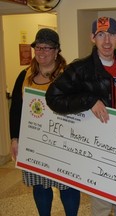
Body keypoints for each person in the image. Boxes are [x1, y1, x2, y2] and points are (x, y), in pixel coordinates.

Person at [45, 17, 116, 216]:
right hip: (99, 151)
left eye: (111, 34)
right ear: (92, 38)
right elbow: (53, 98)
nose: (107, 41)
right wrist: (89, 100)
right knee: (101, 207)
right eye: (101, 35)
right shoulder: (80, 69)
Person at [10, 28, 80, 216]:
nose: (41, 52)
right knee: (39, 184)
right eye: (38, 47)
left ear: (57, 51)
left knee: (68, 184)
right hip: (34, 142)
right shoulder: (24, 76)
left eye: (46, 48)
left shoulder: (69, 76)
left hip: (64, 143)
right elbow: (16, 109)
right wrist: (15, 138)